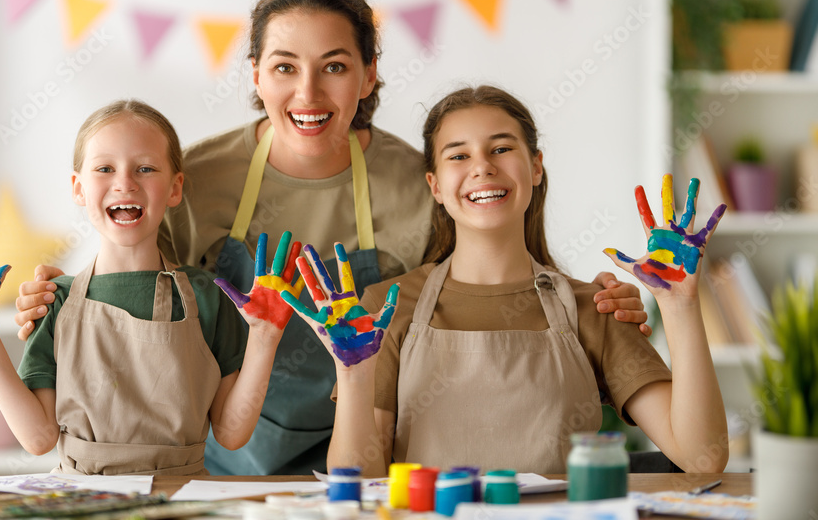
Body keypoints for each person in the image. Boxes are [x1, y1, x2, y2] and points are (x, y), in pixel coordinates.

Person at [11, 0, 650, 475]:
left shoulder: (421, 182)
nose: (309, 95)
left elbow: (486, 286)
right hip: (225, 460)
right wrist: (59, 303)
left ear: (369, 74)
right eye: (285, 66)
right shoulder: (192, 181)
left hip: (378, 451)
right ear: (256, 75)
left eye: (336, 66)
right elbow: (144, 310)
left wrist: (588, 308)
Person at [284, 85, 729, 474]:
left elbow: (702, 458)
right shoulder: (385, 308)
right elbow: (359, 483)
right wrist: (354, 375)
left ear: (535, 168)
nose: (482, 167)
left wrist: (680, 305)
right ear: (435, 186)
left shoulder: (594, 307)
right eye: (459, 155)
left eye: (501, 149)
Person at [0, 100, 294, 475]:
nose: (125, 182)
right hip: (82, 502)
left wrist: (265, 337)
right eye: (105, 168)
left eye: (145, 168)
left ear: (175, 188)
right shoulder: (55, 300)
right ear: (79, 188)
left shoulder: (208, 296)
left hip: (181, 497)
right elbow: (38, 438)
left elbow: (231, 432)